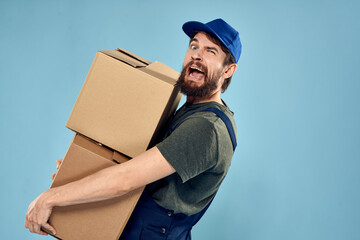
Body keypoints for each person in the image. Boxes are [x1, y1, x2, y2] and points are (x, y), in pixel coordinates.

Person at [25, 18, 242, 239]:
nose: (196, 55)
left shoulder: (206, 127)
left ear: (228, 70)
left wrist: (50, 198)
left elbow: (125, 179)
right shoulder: (194, 109)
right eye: (193, 46)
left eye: (210, 51)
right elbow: (146, 166)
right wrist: (79, 171)